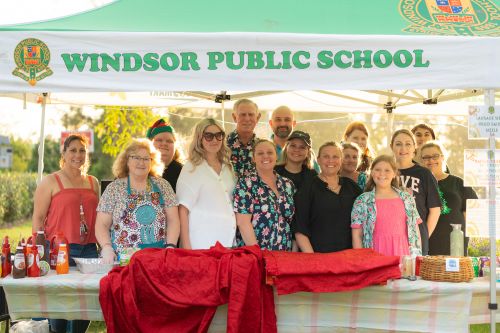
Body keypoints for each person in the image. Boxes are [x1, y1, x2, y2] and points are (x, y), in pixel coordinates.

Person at [32, 134, 100, 333]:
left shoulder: (93, 182)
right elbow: (38, 218)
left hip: (89, 250)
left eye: (82, 150)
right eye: (73, 150)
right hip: (59, 250)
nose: (77, 155)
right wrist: (40, 250)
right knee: (59, 301)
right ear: (64, 153)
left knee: (85, 303)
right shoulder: (50, 182)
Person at [95, 139, 180, 263]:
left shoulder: (163, 185)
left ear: (152, 162)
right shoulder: (114, 188)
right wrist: (107, 248)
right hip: (124, 260)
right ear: (127, 161)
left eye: (146, 159)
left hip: (157, 259)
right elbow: (101, 224)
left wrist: (171, 247)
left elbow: (173, 220)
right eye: (136, 158)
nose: (141, 162)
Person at [176, 118, 237, 249]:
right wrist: (186, 247)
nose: (214, 140)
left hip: (228, 243)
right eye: (208, 136)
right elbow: (182, 210)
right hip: (201, 244)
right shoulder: (191, 167)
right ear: (199, 139)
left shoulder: (228, 166)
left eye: (218, 135)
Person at [294, 142, 362, 253]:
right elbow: (300, 230)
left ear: (341, 160)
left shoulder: (352, 187)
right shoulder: (307, 188)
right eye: (326, 156)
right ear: (318, 160)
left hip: (348, 259)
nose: (331, 160)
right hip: (319, 258)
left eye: (335, 157)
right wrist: (314, 260)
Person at [351, 155, 422, 256]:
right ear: (371, 172)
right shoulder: (362, 201)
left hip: (403, 254)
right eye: (377, 169)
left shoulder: (407, 199)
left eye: (387, 170)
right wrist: (361, 260)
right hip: (374, 254)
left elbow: (416, 232)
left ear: (394, 173)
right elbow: (357, 235)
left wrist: (417, 258)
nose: (382, 174)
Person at [233, 139, 295, 251]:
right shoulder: (246, 184)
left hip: (284, 254)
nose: (265, 156)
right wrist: (258, 256)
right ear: (253, 158)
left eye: (270, 152)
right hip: (256, 255)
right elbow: (243, 223)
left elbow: (293, 223)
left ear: (277, 156)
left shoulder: (288, 184)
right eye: (260, 153)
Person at [420, 141, 477, 255]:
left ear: (443, 157)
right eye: (426, 157)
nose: (431, 160)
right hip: (427, 243)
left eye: (435, 156)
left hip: (455, 242)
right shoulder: (419, 185)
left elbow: (472, 216)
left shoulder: (458, 183)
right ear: (421, 161)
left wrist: (465, 239)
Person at [391, 129, 441, 256]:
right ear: (391, 147)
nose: (403, 148)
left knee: (415, 275)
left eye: (408, 144)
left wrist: (423, 236)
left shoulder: (424, 174)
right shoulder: (385, 172)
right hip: (390, 238)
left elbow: (435, 210)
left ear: (414, 147)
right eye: (398, 144)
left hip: (416, 240)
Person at [147, 119, 183, 192]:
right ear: (149, 144)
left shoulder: (184, 172)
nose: (164, 143)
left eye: (169, 141)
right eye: (159, 140)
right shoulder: (140, 167)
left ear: (175, 146)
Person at [227, 99, 260, 177]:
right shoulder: (222, 145)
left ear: (257, 118)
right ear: (234, 117)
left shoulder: (261, 147)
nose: (247, 119)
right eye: (243, 114)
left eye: (251, 114)